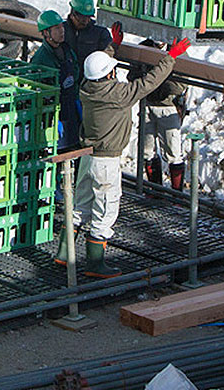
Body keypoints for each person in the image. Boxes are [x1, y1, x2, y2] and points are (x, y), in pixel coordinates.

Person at [67, 41, 189, 277]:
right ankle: (95, 264)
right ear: (109, 73)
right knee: (105, 209)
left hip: (87, 157)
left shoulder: (86, 87)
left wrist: (112, 46)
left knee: (81, 205)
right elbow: (150, 82)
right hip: (106, 161)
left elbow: (97, 67)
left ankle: (65, 255)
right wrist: (170, 56)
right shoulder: (118, 94)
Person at [129, 38, 190, 190]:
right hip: (147, 104)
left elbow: (180, 84)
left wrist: (154, 87)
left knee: (173, 151)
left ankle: (177, 193)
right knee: (146, 149)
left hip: (168, 106)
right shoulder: (144, 48)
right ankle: (154, 189)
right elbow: (132, 75)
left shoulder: (179, 50)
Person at [29, 10, 81, 152]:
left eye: (62, 27)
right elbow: (39, 93)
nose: (62, 31)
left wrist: (77, 102)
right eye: (57, 28)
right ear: (46, 33)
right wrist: (51, 117)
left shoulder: (67, 51)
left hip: (71, 109)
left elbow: (75, 74)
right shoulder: (41, 59)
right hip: (55, 114)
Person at [63, 0, 115, 79]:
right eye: (82, 19)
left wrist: (114, 45)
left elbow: (105, 58)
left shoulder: (100, 33)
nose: (86, 21)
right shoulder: (62, 30)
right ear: (73, 14)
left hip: (88, 82)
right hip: (66, 78)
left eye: (89, 17)